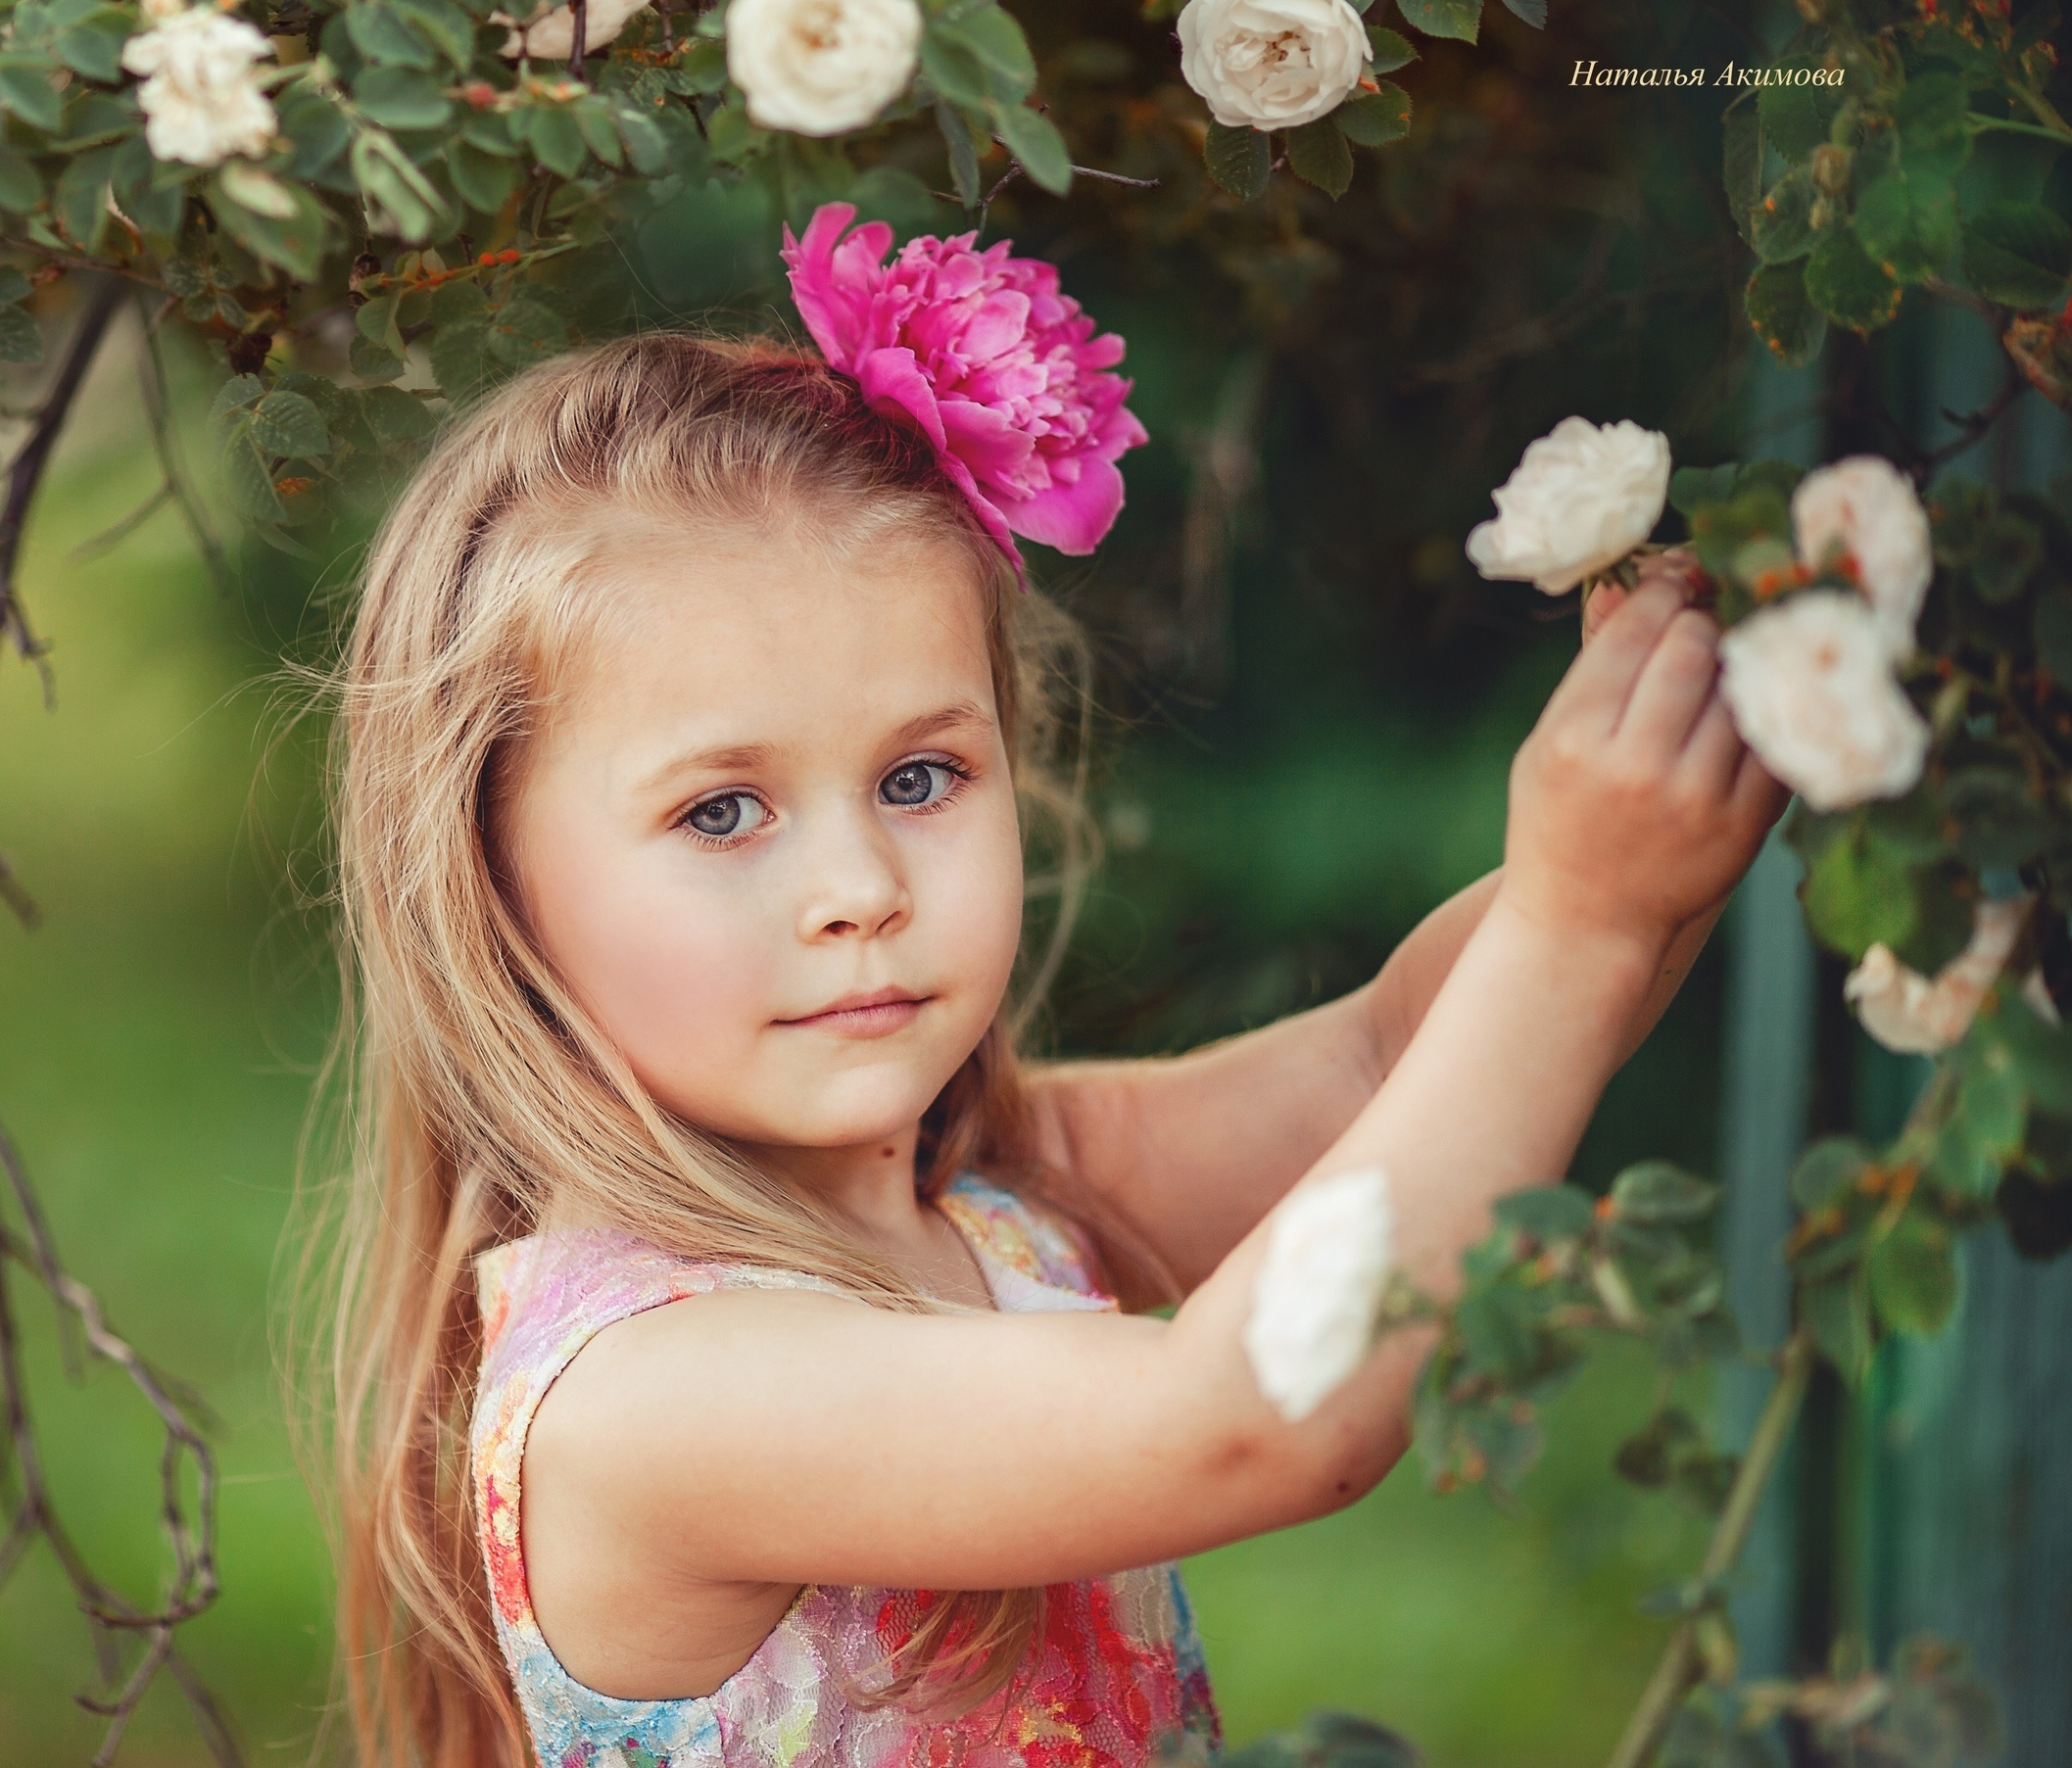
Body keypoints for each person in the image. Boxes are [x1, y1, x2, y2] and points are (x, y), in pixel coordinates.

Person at [310, 203, 1784, 1768]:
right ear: (494, 881)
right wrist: (1585, 915)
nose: (861, 890)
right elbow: (1257, 1413)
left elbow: (1384, 1061)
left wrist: (1647, 813)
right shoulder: (654, 1392)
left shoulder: (1001, 1193)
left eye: (923, 774)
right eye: (720, 811)